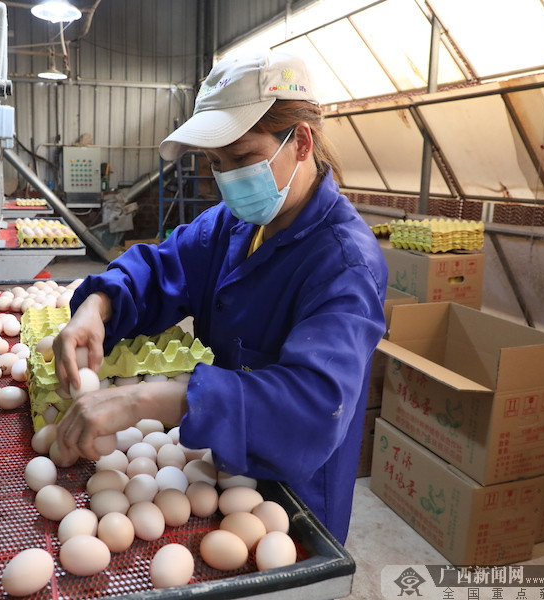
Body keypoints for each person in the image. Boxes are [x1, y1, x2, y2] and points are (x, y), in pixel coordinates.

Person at [52, 48, 388, 544]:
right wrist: (95, 309)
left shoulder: (343, 264)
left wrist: (145, 398)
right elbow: (159, 267)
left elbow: (312, 406)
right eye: (215, 163)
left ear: (299, 142)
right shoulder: (236, 225)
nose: (228, 178)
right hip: (218, 464)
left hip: (291, 494)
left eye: (242, 158)